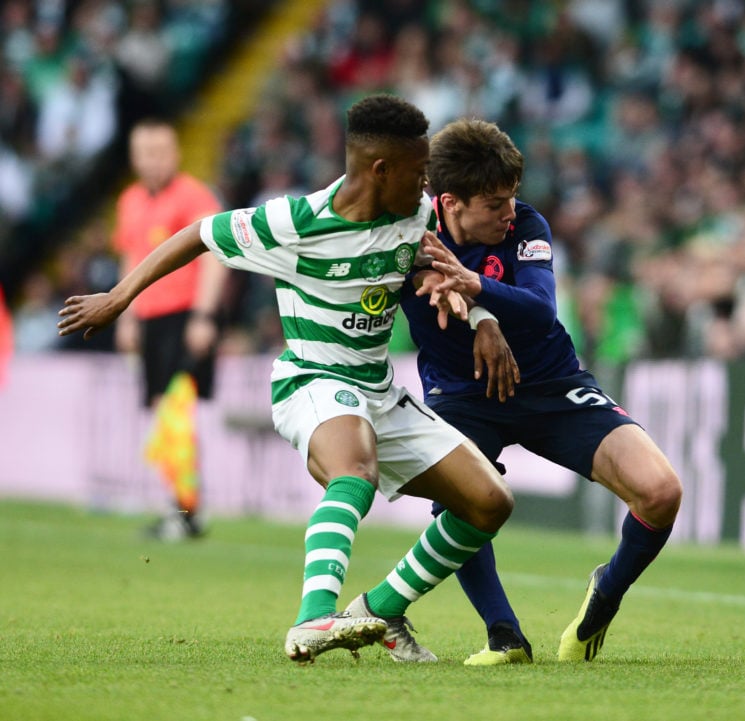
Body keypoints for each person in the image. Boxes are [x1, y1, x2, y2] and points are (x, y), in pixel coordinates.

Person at [59, 94, 514, 663]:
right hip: (312, 380)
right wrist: (117, 298)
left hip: (378, 388)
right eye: (418, 170)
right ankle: (313, 619)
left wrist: (481, 316)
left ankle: (380, 609)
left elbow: (437, 265)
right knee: (355, 470)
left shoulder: (415, 213)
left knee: (490, 502)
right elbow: (200, 233)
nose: (425, 184)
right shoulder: (294, 223)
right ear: (380, 170)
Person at [400, 118, 683, 664]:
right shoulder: (405, 234)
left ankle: (607, 591)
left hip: (552, 383)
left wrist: (474, 287)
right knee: (459, 501)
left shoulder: (527, 226)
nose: (510, 212)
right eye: (494, 203)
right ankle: (503, 635)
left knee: (661, 492)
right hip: (461, 394)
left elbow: (539, 307)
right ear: (451, 203)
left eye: (512, 197)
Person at [112, 118, 226, 540]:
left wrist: (204, 315)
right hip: (150, 320)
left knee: (175, 412)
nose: (153, 161)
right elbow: (130, 259)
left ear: (175, 153)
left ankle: (187, 510)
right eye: (145, 153)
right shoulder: (130, 201)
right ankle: (180, 507)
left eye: (160, 152)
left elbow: (214, 256)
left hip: (185, 315)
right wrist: (124, 315)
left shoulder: (194, 196)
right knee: (166, 413)